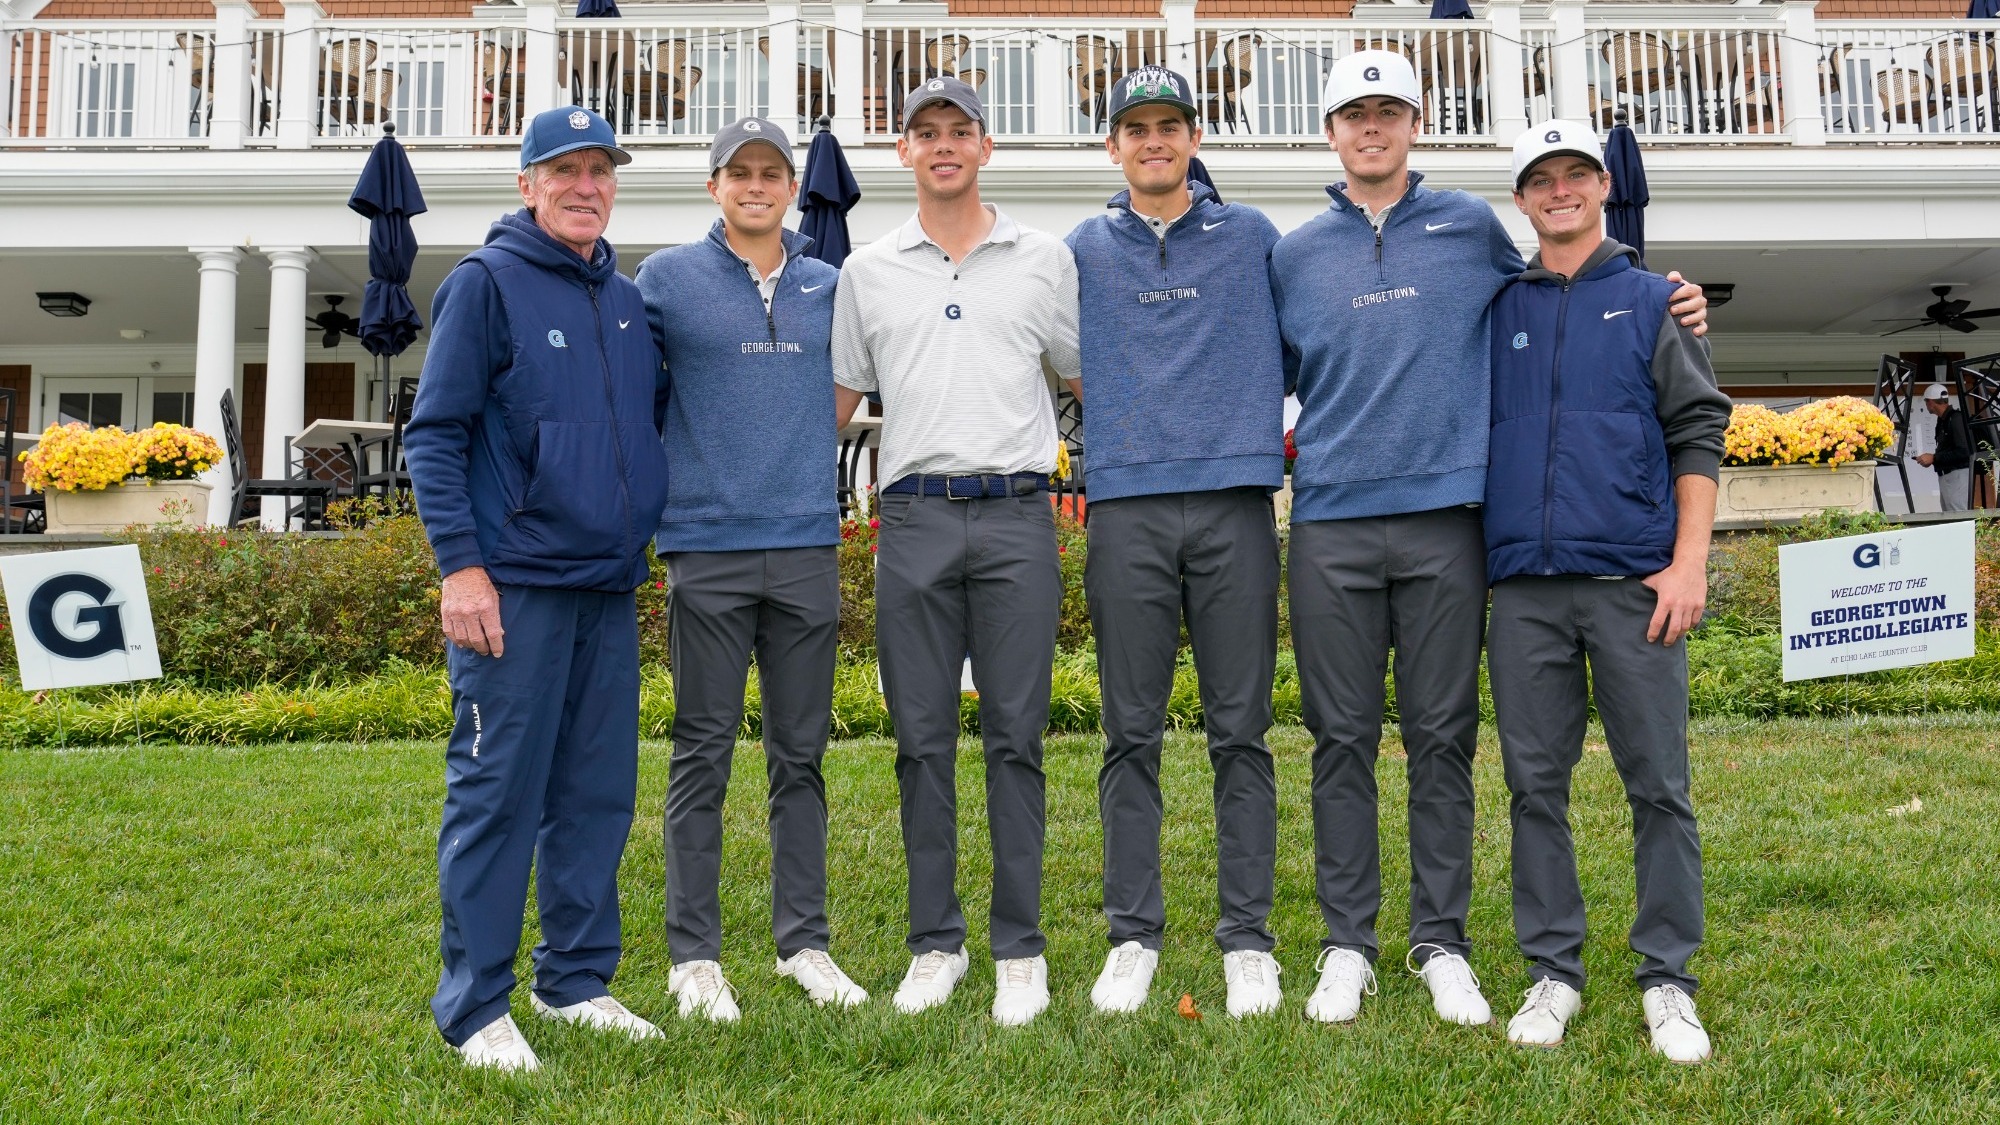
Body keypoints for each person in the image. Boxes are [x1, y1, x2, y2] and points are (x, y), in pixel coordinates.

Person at [1269, 52, 1706, 1028]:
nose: (1370, 127)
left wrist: (1668, 301)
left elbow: (1570, 297)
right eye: (1352, 114)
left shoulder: (1470, 230)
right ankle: (1347, 944)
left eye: (1387, 111)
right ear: (1330, 132)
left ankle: (1441, 942)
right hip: (1334, 520)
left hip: (1450, 527)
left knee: (1441, 741)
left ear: (1413, 124)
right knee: (1339, 740)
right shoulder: (1292, 256)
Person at [405, 106, 670, 1072]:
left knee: (595, 795)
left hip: (607, 586)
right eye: (564, 170)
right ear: (526, 184)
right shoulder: (484, 285)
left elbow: (640, 431)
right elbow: (433, 435)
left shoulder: (628, 299)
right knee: (496, 795)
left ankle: (576, 982)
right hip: (511, 588)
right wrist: (460, 568)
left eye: (600, 169)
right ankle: (475, 1006)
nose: (585, 185)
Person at [830, 76, 1081, 1027]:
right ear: (903, 151)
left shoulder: (1044, 259)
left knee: (1016, 738)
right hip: (916, 519)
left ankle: (1020, 947)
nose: (942, 144)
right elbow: (838, 403)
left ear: (986, 146)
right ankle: (935, 943)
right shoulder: (867, 269)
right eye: (924, 131)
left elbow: (1087, 376)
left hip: (1018, 516)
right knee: (921, 740)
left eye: (960, 130)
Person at [1484, 120, 1731, 1064]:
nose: (1560, 190)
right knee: (1533, 786)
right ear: (1522, 199)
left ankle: (1668, 977)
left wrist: (1690, 561)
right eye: (1541, 179)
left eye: (1576, 174)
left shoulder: (1655, 300)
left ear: (1600, 188)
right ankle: (1555, 969)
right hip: (1527, 591)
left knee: (1659, 786)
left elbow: (1699, 431)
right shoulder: (1495, 305)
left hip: (1636, 583)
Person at [1063, 66, 1286, 1018]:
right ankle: (1133, 934)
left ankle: (1248, 939)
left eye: (1170, 125)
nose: (1153, 140)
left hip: (1235, 504)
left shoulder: (1256, 240)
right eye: (1134, 127)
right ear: (1112, 147)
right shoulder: (1079, 249)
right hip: (1128, 511)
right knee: (1131, 733)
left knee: (1242, 732)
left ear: (1194, 138)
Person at [634, 117, 865, 1022]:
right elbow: (638, 392)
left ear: (791, 188)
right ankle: (693, 956)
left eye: (773, 172)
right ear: (714, 187)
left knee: (799, 755)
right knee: (703, 750)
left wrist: (802, 450)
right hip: (706, 544)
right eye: (741, 173)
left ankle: (803, 942)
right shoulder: (667, 280)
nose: (757, 185)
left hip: (806, 540)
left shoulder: (828, 284)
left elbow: (846, 387)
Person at [1917, 383, 1974, 512]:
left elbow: (1965, 451)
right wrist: (1933, 459)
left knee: (1958, 516)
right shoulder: (1943, 420)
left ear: (1931, 402)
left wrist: (1934, 457)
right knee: (1950, 516)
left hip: (1958, 475)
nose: (1926, 405)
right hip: (1948, 475)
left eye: (1926, 401)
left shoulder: (1955, 418)